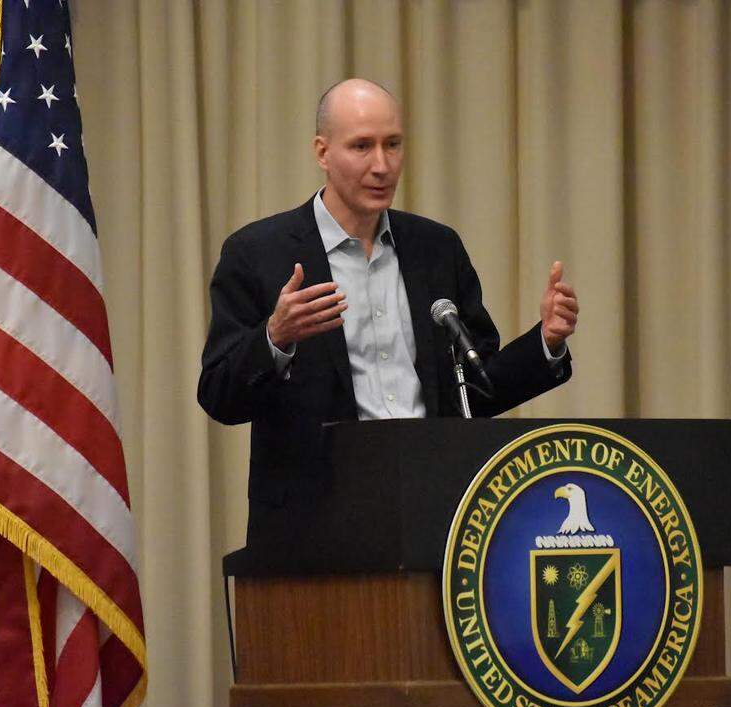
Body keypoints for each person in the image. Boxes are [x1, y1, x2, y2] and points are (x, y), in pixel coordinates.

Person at [198, 79, 580, 546]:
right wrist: (275, 338)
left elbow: (475, 390)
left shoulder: (436, 248)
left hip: (434, 513)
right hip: (313, 530)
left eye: (392, 145)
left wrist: (548, 341)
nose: (381, 165)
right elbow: (219, 395)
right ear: (322, 152)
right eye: (362, 146)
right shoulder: (259, 253)